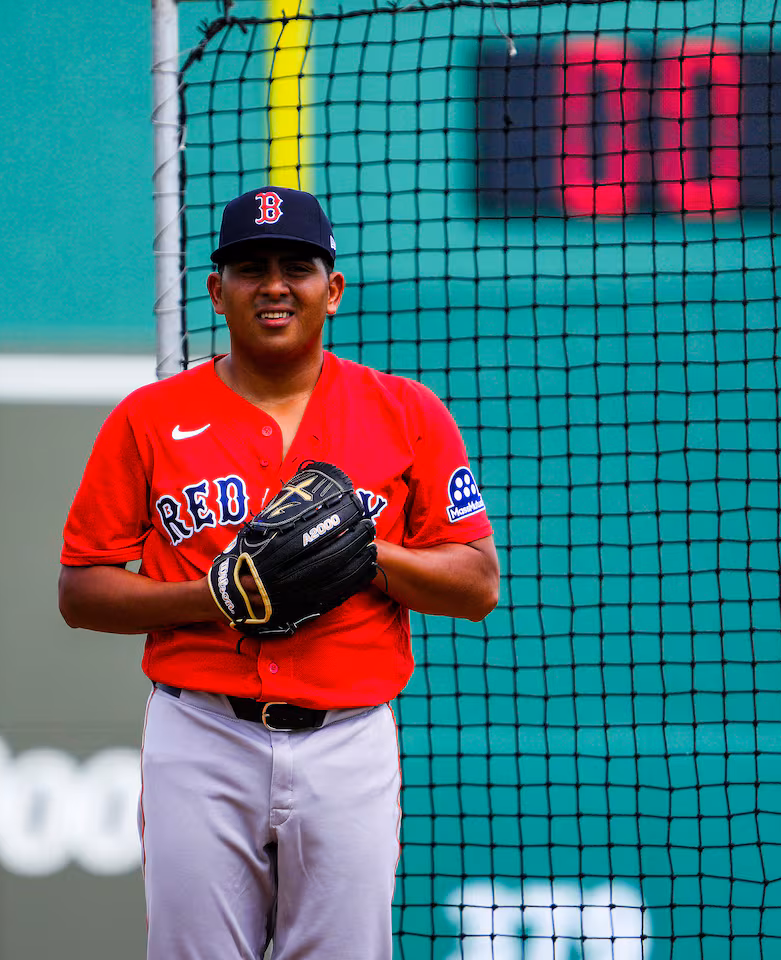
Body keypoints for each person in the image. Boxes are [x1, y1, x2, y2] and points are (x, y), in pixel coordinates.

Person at [58, 186, 499, 959]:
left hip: (348, 737)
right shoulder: (149, 417)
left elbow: (475, 584)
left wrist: (357, 550)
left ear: (332, 289)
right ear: (215, 292)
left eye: (296, 267)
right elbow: (81, 588)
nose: (273, 285)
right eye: (249, 267)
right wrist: (215, 598)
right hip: (200, 733)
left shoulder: (406, 412)